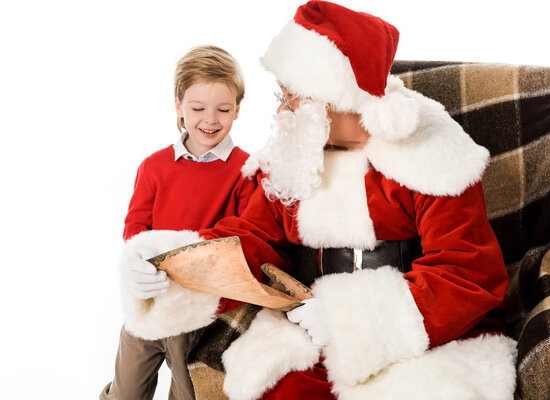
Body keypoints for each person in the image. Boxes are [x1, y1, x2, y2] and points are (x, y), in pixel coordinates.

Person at [118, 2, 518, 399]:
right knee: (281, 387)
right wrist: (169, 263)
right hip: (310, 333)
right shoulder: (297, 155)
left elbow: (467, 273)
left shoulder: (432, 158)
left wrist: (349, 321)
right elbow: (252, 236)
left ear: (338, 99)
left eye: (294, 96)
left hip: (423, 335)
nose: (282, 109)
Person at [101, 45, 257, 400]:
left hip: (201, 315)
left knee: (193, 394)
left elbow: (245, 238)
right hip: (149, 306)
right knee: (125, 392)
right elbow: (135, 227)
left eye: (224, 109)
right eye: (197, 108)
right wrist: (134, 263)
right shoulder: (154, 166)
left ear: (238, 110)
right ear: (178, 106)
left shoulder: (247, 170)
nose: (210, 119)